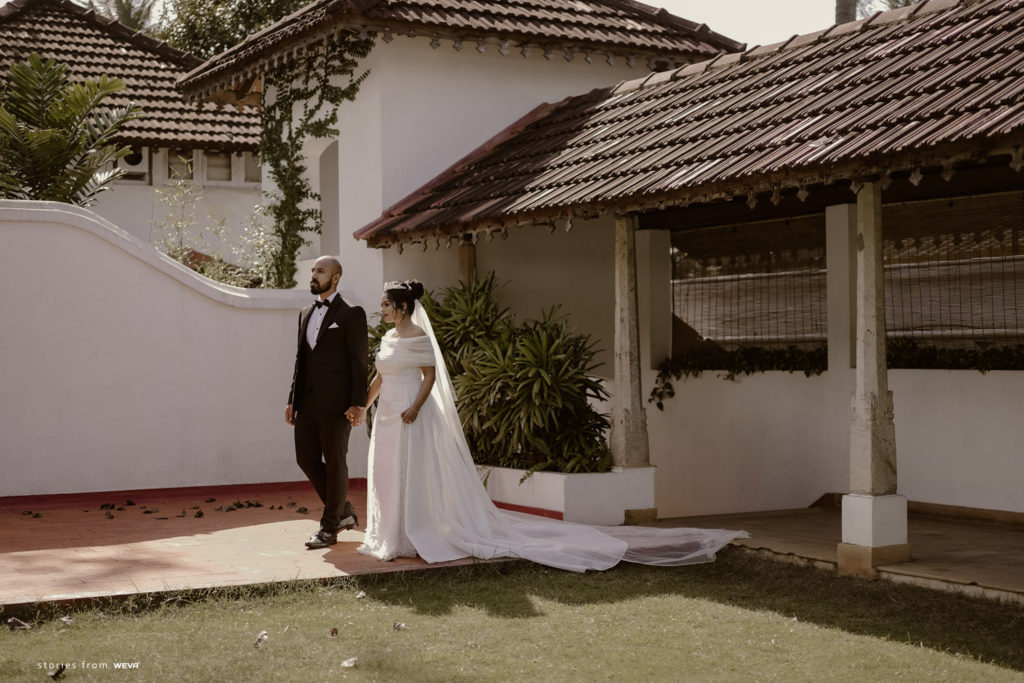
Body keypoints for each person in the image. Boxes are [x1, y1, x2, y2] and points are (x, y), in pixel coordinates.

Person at [350, 280, 747, 572]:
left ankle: (412, 533)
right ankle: (388, 534)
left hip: (411, 413)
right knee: (386, 471)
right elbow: (380, 376)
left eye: (386, 304)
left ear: (403, 306)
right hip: (386, 415)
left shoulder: (419, 336)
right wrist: (363, 407)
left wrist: (416, 408)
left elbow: (430, 378)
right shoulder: (388, 338)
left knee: (410, 472)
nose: (382, 309)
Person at [285, 256, 368, 549]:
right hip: (307, 401)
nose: (314, 274)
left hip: (338, 404)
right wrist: (292, 400)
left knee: (335, 462)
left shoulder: (351, 313)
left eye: (320, 271)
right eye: (313, 270)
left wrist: (358, 403)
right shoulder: (305, 313)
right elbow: (301, 360)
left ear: (335, 278)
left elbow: (360, 363)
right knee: (305, 459)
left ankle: (329, 528)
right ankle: (343, 512)